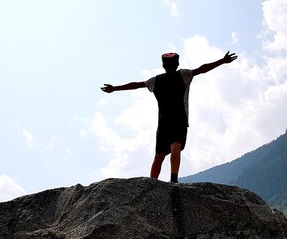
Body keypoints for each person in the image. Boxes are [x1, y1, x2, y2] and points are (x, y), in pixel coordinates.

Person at [102, 51, 238, 182]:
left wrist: (115, 88)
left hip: (163, 123)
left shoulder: (156, 81)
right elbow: (202, 69)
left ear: (163, 66)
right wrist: (222, 61)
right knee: (175, 147)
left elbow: (136, 85)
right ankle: (173, 180)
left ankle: (151, 183)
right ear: (177, 64)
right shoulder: (183, 75)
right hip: (179, 119)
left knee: (160, 155)